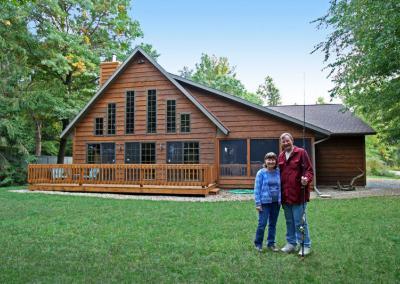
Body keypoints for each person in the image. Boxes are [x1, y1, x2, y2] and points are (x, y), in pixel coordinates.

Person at [278, 132, 313, 256]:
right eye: (283, 141)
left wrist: (306, 179)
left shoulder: (301, 153)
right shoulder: (281, 156)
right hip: (285, 195)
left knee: (300, 221)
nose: (286, 143)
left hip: (299, 194)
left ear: (292, 140)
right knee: (289, 221)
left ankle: (305, 245)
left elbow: (309, 171)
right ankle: (291, 243)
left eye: (287, 140)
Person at [254, 152, 281, 253]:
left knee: (273, 224)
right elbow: (257, 189)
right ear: (265, 161)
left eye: (273, 159)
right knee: (262, 224)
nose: (271, 161)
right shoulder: (261, 173)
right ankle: (258, 244)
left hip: (276, 203)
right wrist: (258, 203)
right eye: (269, 159)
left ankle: (271, 243)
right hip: (264, 203)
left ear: (276, 161)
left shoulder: (278, 172)